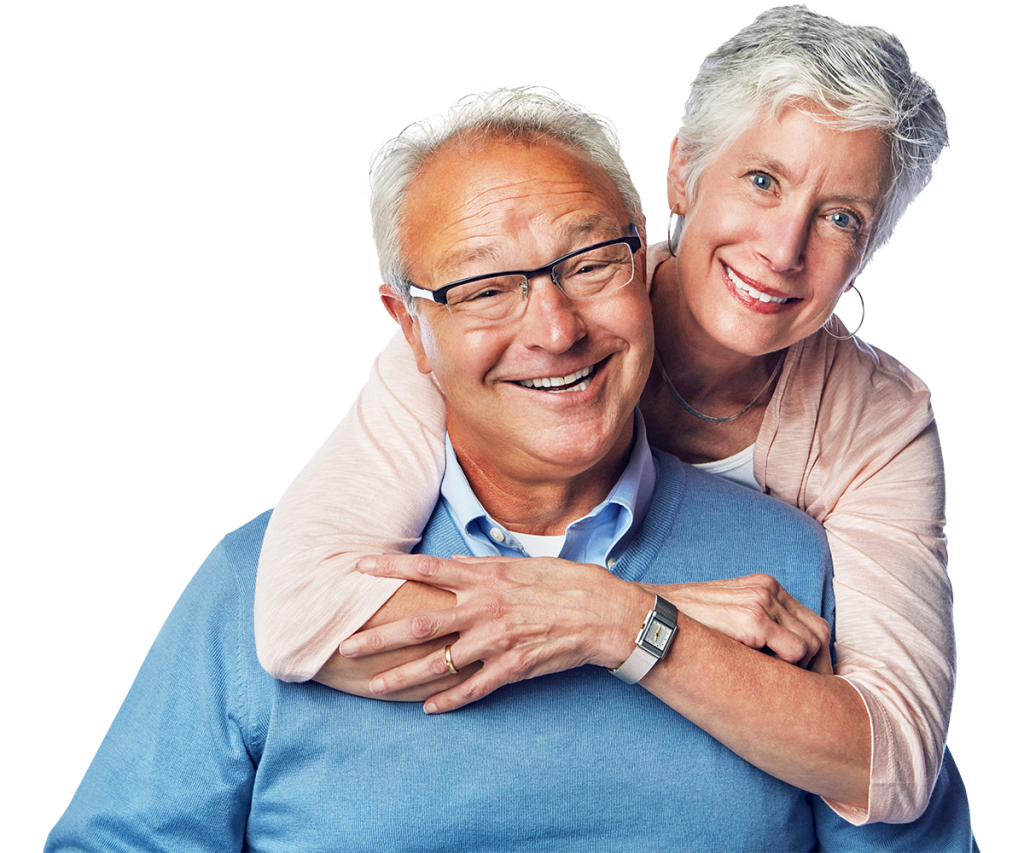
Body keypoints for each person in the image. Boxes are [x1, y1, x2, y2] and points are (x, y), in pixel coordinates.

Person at [46, 90, 972, 850]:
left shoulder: (795, 569)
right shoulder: (262, 578)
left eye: (588, 263)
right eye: (485, 287)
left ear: (641, 251)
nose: (555, 330)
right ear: (409, 326)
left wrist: (623, 622)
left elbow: (898, 801)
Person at [255, 6, 955, 826]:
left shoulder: (875, 420)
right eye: (763, 180)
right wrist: (652, 610)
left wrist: (619, 619)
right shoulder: (489, 333)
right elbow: (302, 615)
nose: (784, 247)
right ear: (685, 174)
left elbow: (896, 762)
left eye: (842, 217)